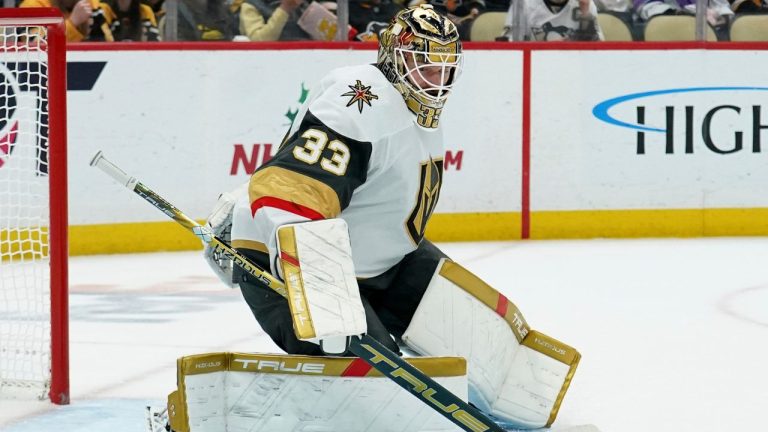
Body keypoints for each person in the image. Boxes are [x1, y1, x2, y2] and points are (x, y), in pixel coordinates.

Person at [205, 4, 579, 429]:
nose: (436, 82)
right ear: (394, 59)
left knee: (484, 335)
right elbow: (289, 193)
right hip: (298, 269)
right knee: (381, 398)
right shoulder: (361, 101)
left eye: (445, 70)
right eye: (425, 68)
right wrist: (325, 298)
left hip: (383, 261)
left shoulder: (415, 104)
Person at [499, 0, 605, 40]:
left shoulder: (585, 4)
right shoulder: (524, 4)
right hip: (535, 70)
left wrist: (585, 14)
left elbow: (597, 54)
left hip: (574, 70)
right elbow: (510, 51)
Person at [20, 0, 97, 41]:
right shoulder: (32, 5)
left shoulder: (94, 5)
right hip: (45, 67)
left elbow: (106, 42)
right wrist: (72, 23)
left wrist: (88, 32)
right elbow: (35, 45)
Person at [236, 0, 310, 41]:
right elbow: (258, 40)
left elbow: (318, 36)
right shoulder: (251, 6)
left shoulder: (302, 4)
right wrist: (284, 9)